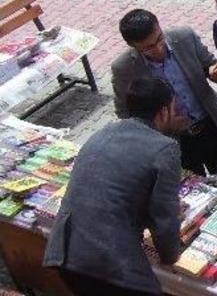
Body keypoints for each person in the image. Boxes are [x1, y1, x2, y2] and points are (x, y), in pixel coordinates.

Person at [44, 77, 183, 296]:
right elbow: (164, 218)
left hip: (65, 253)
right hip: (111, 264)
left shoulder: (102, 133)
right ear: (164, 111)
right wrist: (170, 257)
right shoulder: (165, 149)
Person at [112, 9, 217, 175]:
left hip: (210, 127)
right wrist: (160, 126)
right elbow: (125, 114)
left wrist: (215, 73)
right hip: (173, 141)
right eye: (148, 48)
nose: (158, 49)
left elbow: (209, 65)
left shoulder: (184, 37)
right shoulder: (124, 68)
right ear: (133, 46)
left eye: (159, 39)